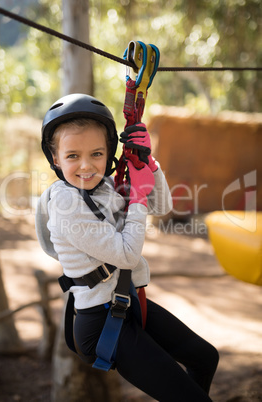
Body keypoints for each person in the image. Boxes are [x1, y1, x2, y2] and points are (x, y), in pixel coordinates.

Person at [35, 93, 219, 401]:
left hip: (126, 302)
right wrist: (136, 199)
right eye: (72, 156)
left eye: (96, 154)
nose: (86, 166)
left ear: (109, 153)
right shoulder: (66, 203)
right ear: (55, 159)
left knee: (204, 357)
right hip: (101, 322)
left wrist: (148, 163)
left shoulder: (104, 187)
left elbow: (160, 205)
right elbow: (126, 253)